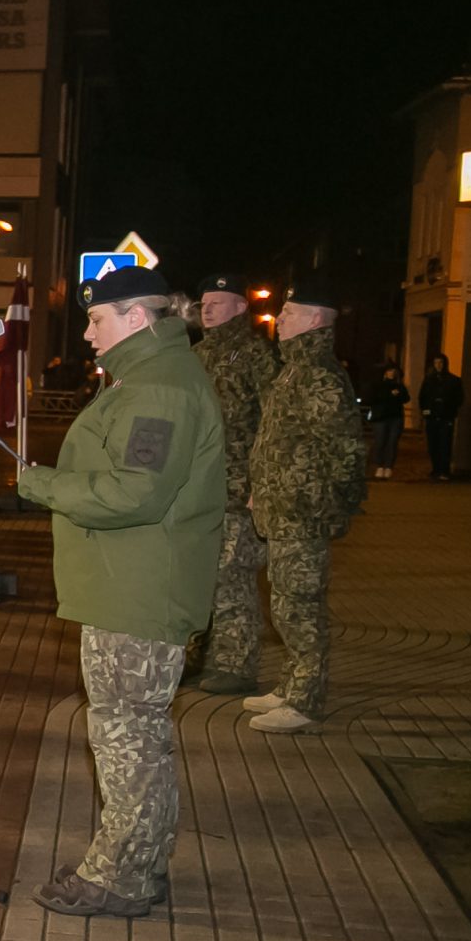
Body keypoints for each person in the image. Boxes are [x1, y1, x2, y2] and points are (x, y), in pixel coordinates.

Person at [15, 263, 225, 919]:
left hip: (137, 590)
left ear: (136, 317)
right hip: (131, 582)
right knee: (136, 732)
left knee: (126, 735)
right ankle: (138, 863)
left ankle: (120, 877)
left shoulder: (158, 388)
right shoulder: (152, 377)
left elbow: (136, 492)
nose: (88, 333)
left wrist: (43, 485)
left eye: (97, 319)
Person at [243, 283, 370, 734]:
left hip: (303, 514)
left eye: (291, 313)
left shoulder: (318, 375)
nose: (280, 319)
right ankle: (292, 685)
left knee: (301, 608)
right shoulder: (294, 370)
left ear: (316, 320)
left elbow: (345, 450)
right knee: (285, 604)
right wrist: (262, 489)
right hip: (283, 509)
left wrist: (329, 504)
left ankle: (305, 700)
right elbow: (281, 441)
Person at [188, 274, 276, 697]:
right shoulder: (196, 355)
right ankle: (197, 656)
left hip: (238, 489)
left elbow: (274, 423)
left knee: (231, 576)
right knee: (196, 574)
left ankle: (236, 664)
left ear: (241, 307)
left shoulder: (257, 355)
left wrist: (262, 483)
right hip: (196, 488)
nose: (207, 309)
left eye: (217, 303)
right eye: (203, 303)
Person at [419, 352, 464, 482]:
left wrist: (450, 408)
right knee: (433, 444)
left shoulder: (454, 380)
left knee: (445, 444)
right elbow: (422, 397)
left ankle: (444, 470)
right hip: (432, 416)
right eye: (436, 363)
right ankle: (436, 469)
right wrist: (426, 411)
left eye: (440, 363)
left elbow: (459, 398)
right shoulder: (429, 380)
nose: (438, 365)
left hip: (446, 416)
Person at [363, 364, 408, 480]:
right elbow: (370, 398)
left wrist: (399, 394)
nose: (391, 373)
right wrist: (388, 395)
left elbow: (406, 398)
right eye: (389, 371)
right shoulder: (377, 385)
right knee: (380, 441)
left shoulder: (399, 385)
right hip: (381, 417)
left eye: (393, 371)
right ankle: (379, 465)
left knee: (392, 442)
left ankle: (388, 466)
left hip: (395, 417)